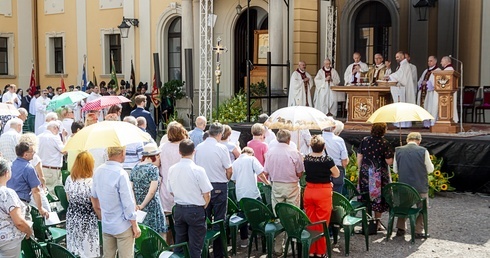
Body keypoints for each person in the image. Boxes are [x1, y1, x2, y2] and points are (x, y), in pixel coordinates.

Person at [91, 146, 141, 258]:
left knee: (108, 256)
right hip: (122, 224)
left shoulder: (98, 171)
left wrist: (100, 214)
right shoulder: (121, 174)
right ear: (122, 153)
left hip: (107, 223)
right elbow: (127, 203)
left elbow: (93, 197)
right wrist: (134, 224)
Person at [168, 139, 213, 258]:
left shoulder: (172, 169)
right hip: (195, 209)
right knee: (196, 247)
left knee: (179, 244)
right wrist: (204, 204)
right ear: (194, 151)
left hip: (179, 208)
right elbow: (207, 193)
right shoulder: (198, 170)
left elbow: (171, 191)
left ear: (179, 152)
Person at [263, 129, 304, 256]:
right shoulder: (294, 152)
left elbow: (266, 171)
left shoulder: (270, 152)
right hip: (291, 186)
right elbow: (300, 173)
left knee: (278, 216)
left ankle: (278, 246)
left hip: (277, 185)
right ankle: (290, 247)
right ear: (289, 139)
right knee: (292, 216)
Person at [194, 122, 232, 258]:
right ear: (220, 134)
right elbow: (229, 169)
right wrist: (227, 178)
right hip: (219, 185)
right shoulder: (221, 148)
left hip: (203, 185)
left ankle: (204, 252)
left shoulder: (198, 147)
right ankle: (219, 254)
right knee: (220, 221)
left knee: (205, 219)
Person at [303, 135, 339, 258]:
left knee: (311, 221)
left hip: (309, 190)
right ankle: (320, 252)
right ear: (323, 147)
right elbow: (336, 173)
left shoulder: (306, 158)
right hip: (322, 191)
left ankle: (311, 250)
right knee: (323, 222)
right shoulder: (327, 160)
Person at [393, 132, 433, 238]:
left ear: (407, 140)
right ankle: (418, 231)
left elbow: (395, 170)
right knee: (422, 208)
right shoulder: (423, 151)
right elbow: (430, 169)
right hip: (420, 185)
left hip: (404, 185)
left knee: (403, 206)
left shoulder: (398, 150)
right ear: (419, 141)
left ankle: (401, 229)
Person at [357, 123, 394, 230]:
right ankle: (377, 223)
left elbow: (359, 156)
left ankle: (367, 221)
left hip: (365, 173)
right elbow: (389, 161)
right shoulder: (385, 143)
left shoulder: (365, 140)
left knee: (366, 196)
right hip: (379, 174)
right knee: (379, 198)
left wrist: (360, 169)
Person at [231, 147, 270, 247]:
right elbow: (260, 174)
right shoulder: (252, 159)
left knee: (243, 214)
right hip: (252, 192)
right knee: (260, 212)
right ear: (251, 153)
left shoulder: (235, 162)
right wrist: (267, 183)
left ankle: (244, 239)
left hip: (240, 193)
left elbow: (234, 179)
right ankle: (259, 234)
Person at [65, 151, 100, 257]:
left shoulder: (69, 179)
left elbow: (68, 198)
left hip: (72, 216)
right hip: (87, 219)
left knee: (74, 248)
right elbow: (95, 205)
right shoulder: (91, 183)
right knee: (88, 250)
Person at [130, 143, 167, 236]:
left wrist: (136, 205)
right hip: (152, 205)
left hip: (138, 206)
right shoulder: (153, 169)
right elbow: (152, 191)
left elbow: (131, 188)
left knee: (143, 232)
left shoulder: (135, 168)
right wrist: (142, 205)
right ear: (155, 156)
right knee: (157, 233)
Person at [0, 157, 34, 258]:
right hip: (8, 240)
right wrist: (28, 231)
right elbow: (19, 221)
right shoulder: (7, 193)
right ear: (7, 173)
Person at [7, 142, 49, 218]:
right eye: (32, 151)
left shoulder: (10, 165)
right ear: (25, 154)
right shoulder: (28, 168)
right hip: (21, 204)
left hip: (8, 203)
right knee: (27, 228)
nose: (34, 153)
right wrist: (40, 208)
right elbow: (35, 191)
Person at [159, 121, 188, 215]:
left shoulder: (162, 148)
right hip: (183, 185)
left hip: (166, 185)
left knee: (168, 216)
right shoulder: (185, 147)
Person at [19, 133, 51, 212]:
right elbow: (41, 177)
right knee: (47, 210)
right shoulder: (35, 157)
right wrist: (44, 186)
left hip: (21, 190)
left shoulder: (19, 157)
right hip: (34, 188)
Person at [38, 121, 66, 195]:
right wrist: (64, 138)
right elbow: (64, 151)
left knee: (43, 192)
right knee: (53, 193)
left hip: (41, 168)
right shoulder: (54, 138)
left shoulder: (38, 137)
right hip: (52, 170)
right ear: (55, 128)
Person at [322, 123, 349, 194]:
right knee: (337, 194)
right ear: (334, 128)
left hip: (322, 169)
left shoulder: (318, 140)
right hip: (337, 168)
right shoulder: (339, 140)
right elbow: (344, 160)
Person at [417, 56, 440, 127]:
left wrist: (427, 83)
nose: (429, 62)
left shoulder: (438, 70)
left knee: (430, 107)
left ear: (435, 62)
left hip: (431, 94)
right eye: (428, 61)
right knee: (424, 107)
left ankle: (432, 123)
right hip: (424, 92)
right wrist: (421, 83)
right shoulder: (425, 71)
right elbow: (421, 80)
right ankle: (425, 124)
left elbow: (436, 82)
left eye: (431, 61)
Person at [440, 56, 459, 124]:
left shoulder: (448, 70)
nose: (440, 63)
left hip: (448, 92)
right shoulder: (450, 69)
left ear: (446, 61)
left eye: (442, 61)